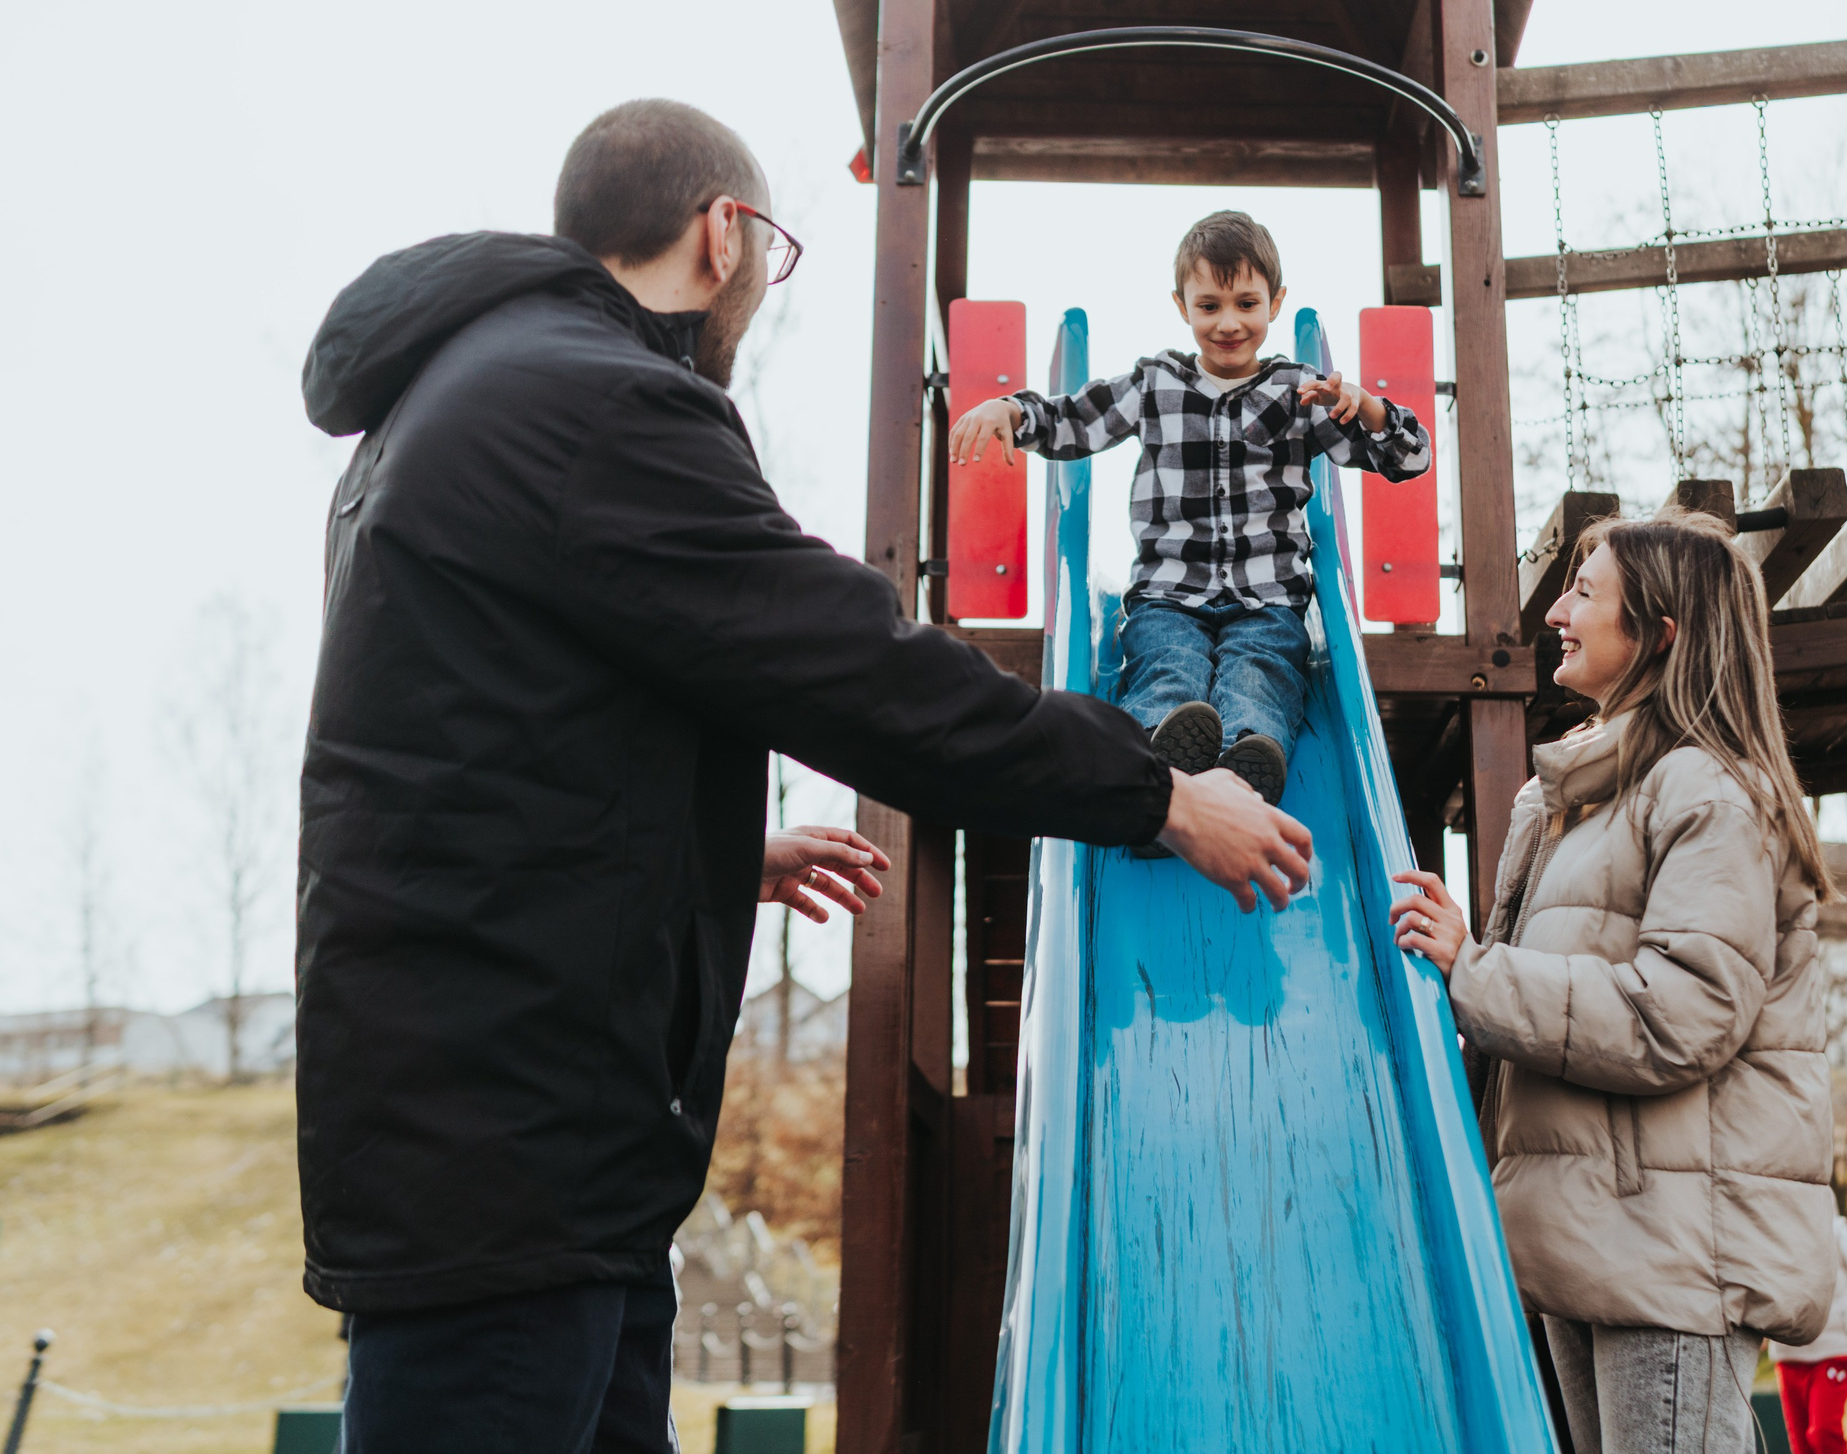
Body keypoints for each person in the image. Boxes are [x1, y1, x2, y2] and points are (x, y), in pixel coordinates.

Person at [297, 100, 1312, 1453]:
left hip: (523, 1144)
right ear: (724, 235)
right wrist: (1158, 789)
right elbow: (861, 672)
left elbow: (481, 753)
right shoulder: (596, 403)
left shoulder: (466, 393)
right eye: (770, 252)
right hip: (509, 1160)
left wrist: (705, 847)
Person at [1387, 511, 1839, 1454]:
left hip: (1669, 1248)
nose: (1557, 609)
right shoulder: (1575, 799)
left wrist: (1474, 968)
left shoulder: (1706, 794)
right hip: (1587, 1229)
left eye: (1585, 593)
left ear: (1660, 634)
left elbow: (1680, 1015)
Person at [947, 209, 1430, 814]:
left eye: (1246, 304)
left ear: (1275, 303)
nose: (1229, 323)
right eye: (1209, 307)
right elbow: (1073, 420)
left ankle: (1245, 767)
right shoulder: (1155, 384)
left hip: (1268, 598)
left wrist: (1368, 408)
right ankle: (1153, 772)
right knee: (1166, 668)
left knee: (1261, 674)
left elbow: (1408, 461)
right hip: (1168, 594)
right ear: (1181, 306)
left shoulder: (1302, 392)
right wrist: (1011, 411)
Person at [1766, 1210, 1847, 1454]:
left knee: (1822, 1431)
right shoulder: (1775, 1230)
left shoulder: (1835, 1231)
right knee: (1801, 1446)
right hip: (1789, 1354)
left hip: (1833, 1350)